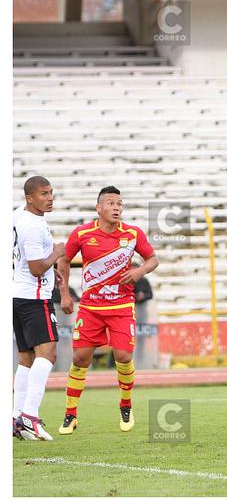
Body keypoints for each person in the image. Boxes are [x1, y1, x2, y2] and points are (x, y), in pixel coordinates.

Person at [56, 186, 158, 435]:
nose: (116, 207)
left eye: (119, 204)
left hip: (121, 306)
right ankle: (70, 414)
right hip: (91, 307)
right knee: (80, 359)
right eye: (111, 203)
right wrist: (65, 294)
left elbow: (153, 260)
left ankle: (126, 405)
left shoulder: (132, 234)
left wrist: (138, 272)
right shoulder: (82, 233)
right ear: (98, 208)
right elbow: (63, 260)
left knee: (123, 356)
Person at [12, 176, 65, 441]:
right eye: (44, 194)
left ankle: (15, 418)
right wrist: (57, 254)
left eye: (51, 192)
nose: (50, 198)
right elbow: (35, 268)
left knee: (27, 358)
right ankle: (30, 416)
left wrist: (51, 270)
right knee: (48, 353)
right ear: (29, 198)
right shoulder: (32, 225)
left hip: (18, 295)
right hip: (35, 299)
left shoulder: (18, 215)